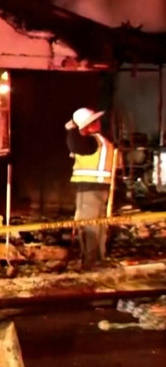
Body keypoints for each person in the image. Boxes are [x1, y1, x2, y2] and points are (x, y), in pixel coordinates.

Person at [66, 107, 118, 269]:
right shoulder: (101, 141)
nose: (97, 123)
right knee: (96, 223)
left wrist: (72, 129)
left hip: (91, 186)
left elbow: (74, 145)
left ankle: (90, 262)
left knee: (89, 224)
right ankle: (97, 259)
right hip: (96, 186)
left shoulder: (92, 141)